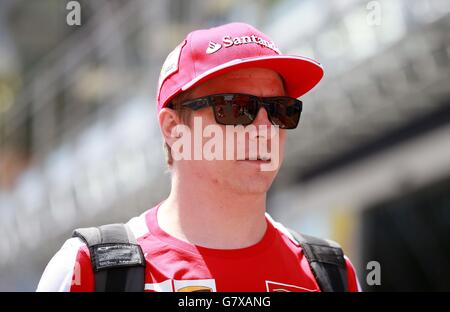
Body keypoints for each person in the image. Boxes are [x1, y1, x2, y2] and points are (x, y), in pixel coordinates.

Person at [37, 22, 360, 292]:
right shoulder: (91, 270)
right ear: (173, 128)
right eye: (235, 108)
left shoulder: (331, 273)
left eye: (281, 110)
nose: (264, 127)